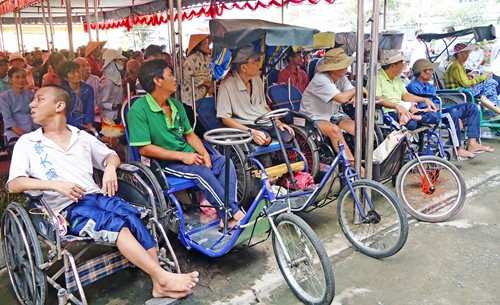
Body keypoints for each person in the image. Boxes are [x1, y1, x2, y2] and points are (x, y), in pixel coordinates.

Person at [7, 85, 199, 299]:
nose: (31, 104)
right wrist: (55, 185)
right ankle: (162, 277)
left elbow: (111, 156)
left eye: (39, 99)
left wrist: (109, 168)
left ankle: (158, 282)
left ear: (59, 106)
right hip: (66, 209)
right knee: (114, 224)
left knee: (132, 216)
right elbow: (14, 184)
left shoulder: (81, 136)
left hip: (96, 196)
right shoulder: (28, 142)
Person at [127, 59, 245, 228]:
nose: (175, 78)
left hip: (188, 156)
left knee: (225, 162)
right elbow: (144, 149)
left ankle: (229, 213)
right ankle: (232, 213)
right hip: (163, 163)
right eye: (170, 74)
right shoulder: (138, 110)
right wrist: (182, 156)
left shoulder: (176, 105)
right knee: (201, 172)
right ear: (157, 81)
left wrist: (205, 154)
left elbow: (190, 135)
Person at [407, 59, 493, 158]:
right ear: (423, 73)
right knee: (453, 113)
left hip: (438, 109)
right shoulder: (413, 87)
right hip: (427, 114)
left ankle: (472, 143)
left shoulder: (430, 86)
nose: (432, 72)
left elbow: (436, 105)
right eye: (430, 70)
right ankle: (457, 149)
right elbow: (426, 108)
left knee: (472, 107)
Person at [300, 48, 366, 170]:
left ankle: (363, 160)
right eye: (344, 65)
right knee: (335, 131)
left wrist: (355, 94)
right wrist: (358, 90)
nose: (347, 67)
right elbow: (342, 98)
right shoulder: (321, 80)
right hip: (314, 117)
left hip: (333, 115)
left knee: (360, 129)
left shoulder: (341, 77)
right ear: (333, 68)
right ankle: (356, 168)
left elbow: (351, 92)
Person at [217, 45, 294, 146]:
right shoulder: (226, 85)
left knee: (289, 136)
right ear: (244, 67)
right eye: (254, 61)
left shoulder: (257, 80)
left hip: (264, 121)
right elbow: (225, 119)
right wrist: (251, 132)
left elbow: (265, 106)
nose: (259, 64)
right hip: (246, 125)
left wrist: (278, 122)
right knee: (265, 140)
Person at [376, 50, 440, 129]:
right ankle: (412, 118)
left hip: (404, 110)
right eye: (401, 63)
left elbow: (405, 95)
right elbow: (378, 98)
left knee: (436, 116)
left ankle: (411, 117)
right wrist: (396, 106)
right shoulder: (377, 78)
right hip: (388, 113)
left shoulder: (397, 78)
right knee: (413, 123)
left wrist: (424, 100)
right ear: (393, 65)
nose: (403, 66)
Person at [445, 43, 500, 119]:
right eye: (466, 53)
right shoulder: (456, 66)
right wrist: (483, 77)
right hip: (459, 92)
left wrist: (467, 76)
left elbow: (461, 79)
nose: (467, 55)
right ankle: (494, 112)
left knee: (490, 86)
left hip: (461, 90)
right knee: (489, 82)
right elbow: (466, 84)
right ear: (459, 54)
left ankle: (492, 110)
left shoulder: (458, 65)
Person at [181, 34, 213, 136]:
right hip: (191, 99)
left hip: (205, 97)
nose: (208, 46)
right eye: (206, 44)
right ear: (198, 45)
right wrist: (204, 82)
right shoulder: (191, 59)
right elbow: (188, 76)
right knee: (195, 125)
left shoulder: (208, 58)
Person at [0, 67, 37, 144]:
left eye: (23, 77)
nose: (21, 80)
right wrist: (25, 136)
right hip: (15, 131)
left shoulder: (31, 94)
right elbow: (8, 120)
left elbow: (36, 114)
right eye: (17, 77)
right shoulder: (4, 97)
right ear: (10, 80)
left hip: (33, 128)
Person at [59, 61, 95, 130]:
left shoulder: (88, 89)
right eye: (73, 73)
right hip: (67, 125)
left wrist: (89, 125)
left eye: (78, 71)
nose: (77, 74)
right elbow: (62, 115)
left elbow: (89, 110)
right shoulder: (61, 91)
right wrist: (80, 125)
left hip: (84, 125)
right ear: (65, 78)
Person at [97, 48, 127, 122]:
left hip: (118, 115)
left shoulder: (117, 79)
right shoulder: (108, 82)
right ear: (112, 62)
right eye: (119, 60)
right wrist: (116, 106)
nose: (122, 63)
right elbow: (101, 103)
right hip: (109, 118)